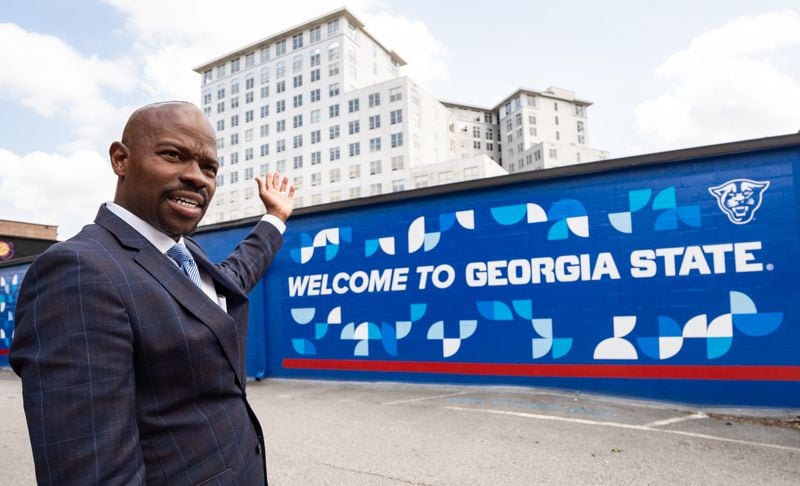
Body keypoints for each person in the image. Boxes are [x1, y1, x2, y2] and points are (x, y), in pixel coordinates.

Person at [9, 101, 295, 485]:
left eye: (209, 168)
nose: (197, 178)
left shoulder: (184, 252)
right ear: (120, 160)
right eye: (173, 155)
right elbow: (92, 474)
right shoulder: (77, 271)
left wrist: (274, 218)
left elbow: (232, 279)